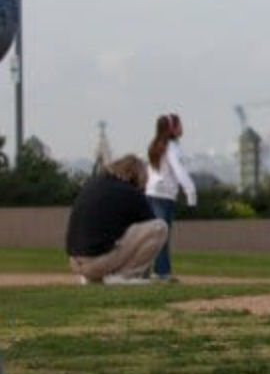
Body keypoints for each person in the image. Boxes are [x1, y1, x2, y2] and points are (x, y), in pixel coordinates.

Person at [65, 154, 169, 284]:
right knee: (160, 227)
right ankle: (124, 276)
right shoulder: (131, 192)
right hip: (98, 262)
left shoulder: (93, 183)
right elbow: (150, 224)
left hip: (75, 262)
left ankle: (93, 277)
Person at [145, 112, 197, 282]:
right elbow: (179, 171)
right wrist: (191, 192)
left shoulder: (155, 145)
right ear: (172, 129)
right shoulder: (172, 148)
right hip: (164, 195)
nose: (182, 128)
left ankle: (145, 271)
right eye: (179, 124)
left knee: (151, 235)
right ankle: (162, 272)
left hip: (151, 193)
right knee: (162, 235)